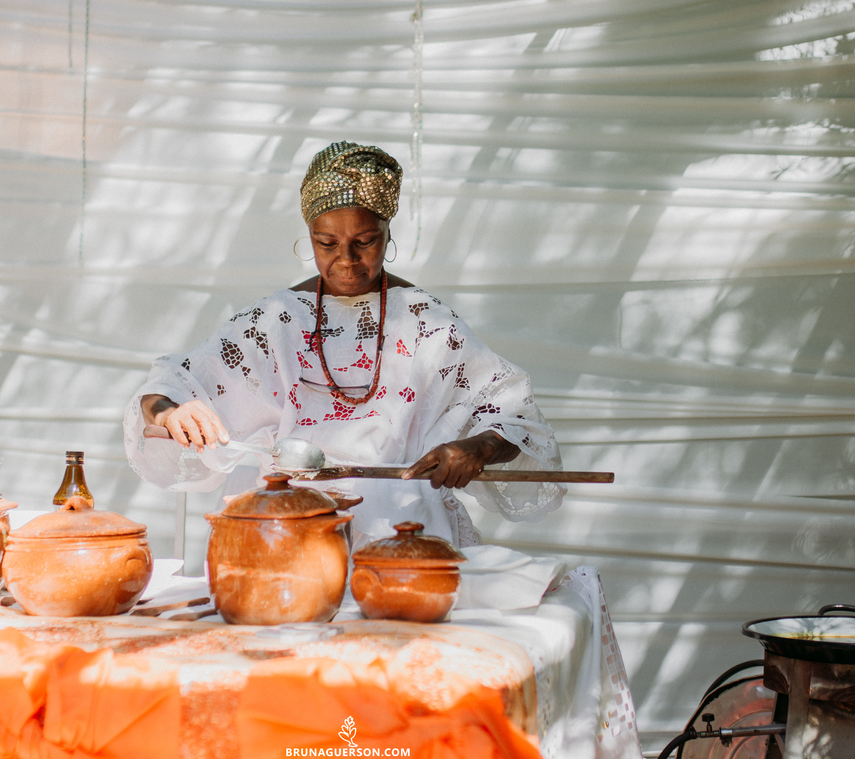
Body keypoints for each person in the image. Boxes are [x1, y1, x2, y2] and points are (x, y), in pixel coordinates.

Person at [124, 141, 564, 547]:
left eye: (365, 242)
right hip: (292, 533)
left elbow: (518, 417)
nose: (347, 261)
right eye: (327, 243)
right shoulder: (279, 319)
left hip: (406, 535)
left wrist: (478, 447)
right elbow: (166, 386)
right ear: (308, 237)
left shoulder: (424, 321)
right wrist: (170, 410)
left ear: (388, 234)